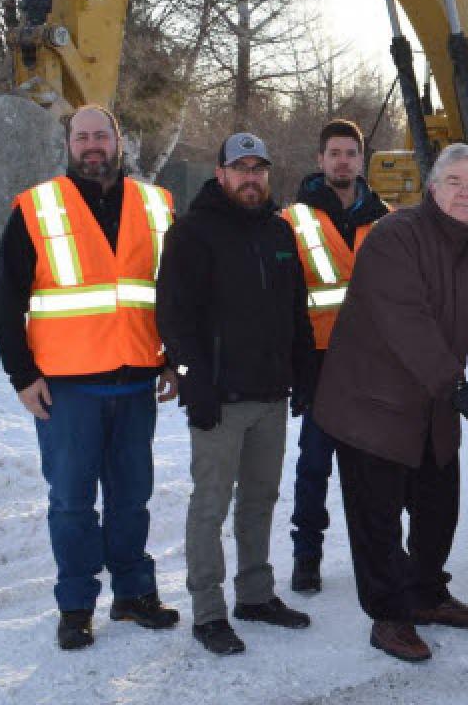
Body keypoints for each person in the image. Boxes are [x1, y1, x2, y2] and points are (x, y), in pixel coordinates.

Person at [312, 143, 468, 663]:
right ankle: (390, 614)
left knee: (438, 509)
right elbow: (405, 324)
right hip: (371, 404)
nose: (465, 192)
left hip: (431, 408)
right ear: (433, 188)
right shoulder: (396, 237)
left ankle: (428, 594)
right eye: (454, 181)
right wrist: (459, 390)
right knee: (379, 519)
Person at [0, 104, 180, 650]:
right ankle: (76, 606)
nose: (92, 145)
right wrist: (21, 375)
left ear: (119, 141)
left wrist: (174, 359)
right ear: (68, 144)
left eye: (102, 135)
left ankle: (134, 594)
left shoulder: (157, 204)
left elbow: (177, 293)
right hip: (67, 388)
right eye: (82, 137)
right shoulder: (37, 207)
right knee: (72, 501)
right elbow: (4, 300)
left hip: (137, 381)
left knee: (132, 496)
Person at [156, 132, 316, 655]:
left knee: (261, 500)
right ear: (220, 173)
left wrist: (303, 373)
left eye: (259, 168)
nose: (251, 177)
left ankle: (255, 594)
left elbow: (295, 310)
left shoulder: (278, 231)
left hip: (270, 394)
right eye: (240, 168)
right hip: (219, 398)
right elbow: (174, 318)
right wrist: (193, 379)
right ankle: (208, 610)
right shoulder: (192, 233)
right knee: (211, 504)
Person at [284, 118, 390, 594]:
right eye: (334, 154)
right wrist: (296, 367)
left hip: (372, 363)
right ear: (320, 161)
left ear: (360, 160)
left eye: (350, 153)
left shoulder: (387, 219)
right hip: (320, 363)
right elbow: (284, 301)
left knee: (376, 468)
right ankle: (307, 556)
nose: (343, 161)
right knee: (314, 465)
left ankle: (384, 556)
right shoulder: (293, 220)